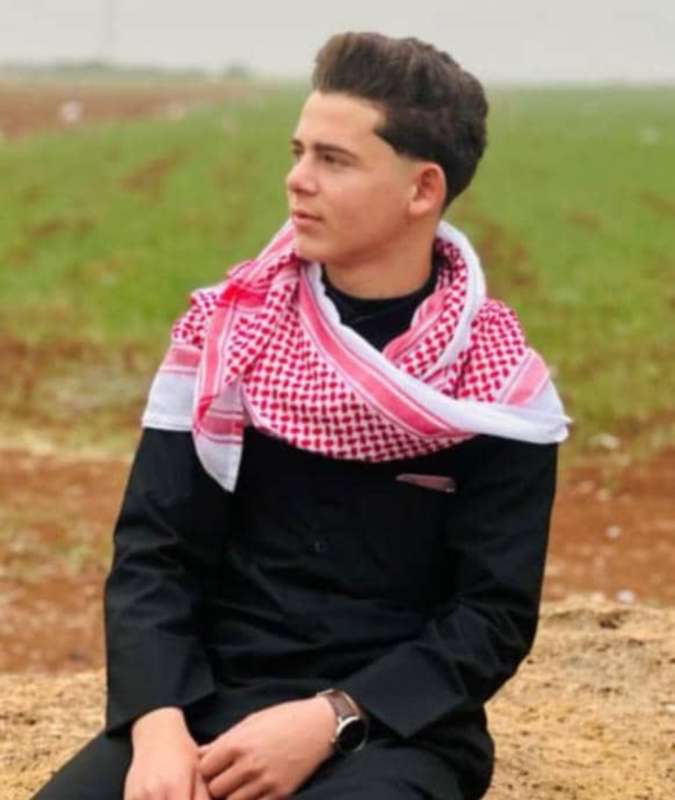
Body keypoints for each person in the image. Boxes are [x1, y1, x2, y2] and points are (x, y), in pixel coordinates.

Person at [32, 31, 568, 800]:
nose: (296, 179)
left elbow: (489, 619)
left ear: (422, 189)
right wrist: (155, 726)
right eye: (298, 151)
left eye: (333, 160)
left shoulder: (499, 392)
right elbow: (155, 555)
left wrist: (332, 718)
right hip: (204, 701)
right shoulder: (225, 335)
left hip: (391, 730)